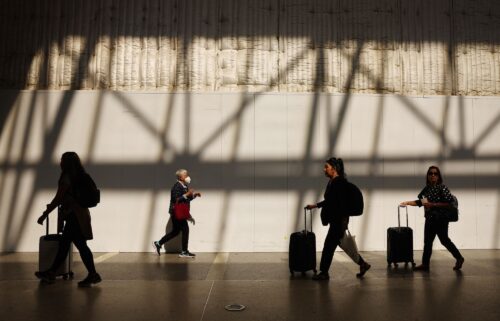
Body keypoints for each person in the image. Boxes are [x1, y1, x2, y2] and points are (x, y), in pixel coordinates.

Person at [35, 152, 101, 287]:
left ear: (67, 163)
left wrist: (45, 214)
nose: (60, 162)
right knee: (72, 245)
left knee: (72, 246)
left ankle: (52, 273)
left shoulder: (67, 177)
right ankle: (90, 274)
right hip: (80, 214)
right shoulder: (79, 176)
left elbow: (58, 198)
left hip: (74, 216)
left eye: (62, 160)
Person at [306, 157, 371, 280]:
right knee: (345, 246)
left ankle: (324, 272)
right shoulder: (333, 182)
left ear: (334, 168)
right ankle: (363, 264)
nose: (324, 169)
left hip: (338, 221)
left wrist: (343, 221)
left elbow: (341, 204)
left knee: (328, 246)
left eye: (326, 167)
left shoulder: (339, 183)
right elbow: (330, 201)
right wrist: (315, 205)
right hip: (336, 220)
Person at [400, 165, 464, 271]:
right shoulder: (427, 189)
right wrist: (408, 203)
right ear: (428, 176)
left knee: (444, 240)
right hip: (430, 219)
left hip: (441, 219)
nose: (433, 175)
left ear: (438, 176)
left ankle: (459, 258)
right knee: (428, 242)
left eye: (435, 173)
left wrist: (433, 205)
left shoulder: (442, 187)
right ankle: (425, 264)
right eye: (430, 173)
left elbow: (449, 203)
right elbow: (422, 202)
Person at [153, 169, 200, 258]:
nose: (187, 177)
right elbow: (176, 199)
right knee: (185, 229)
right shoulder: (176, 186)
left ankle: (158, 243)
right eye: (186, 175)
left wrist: (193, 195)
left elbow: (186, 199)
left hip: (180, 212)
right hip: (176, 212)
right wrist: (187, 194)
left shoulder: (184, 186)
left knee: (175, 232)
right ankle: (184, 252)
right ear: (180, 177)